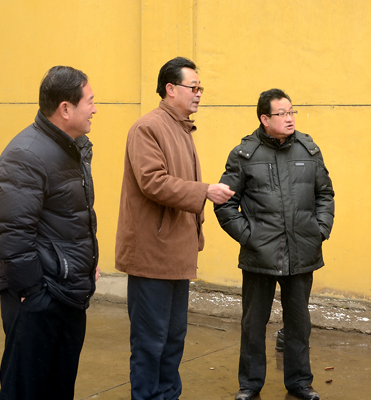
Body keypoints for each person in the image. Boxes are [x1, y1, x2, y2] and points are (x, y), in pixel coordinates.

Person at [115, 56, 234, 400]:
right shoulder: (148, 128)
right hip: (151, 255)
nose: (198, 94)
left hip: (176, 254)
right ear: (170, 89)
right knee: (150, 342)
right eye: (192, 87)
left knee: (172, 340)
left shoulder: (181, 128)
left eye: (200, 88)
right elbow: (153, 182)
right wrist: (204, 191)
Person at [215, 88, 335, 400]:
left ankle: (299, 382)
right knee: (253, 324)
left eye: (292, 112)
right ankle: (250, 384)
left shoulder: (309, 150)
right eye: (282, 114)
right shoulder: (244, 154)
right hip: (260, 256)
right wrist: (248, 236)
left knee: (299, 324)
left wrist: (320, 229)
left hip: (302, 251)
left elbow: (325, 194)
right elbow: (224, 204)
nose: (289, 118)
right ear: (264, 119)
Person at [0, 65, 99, 400]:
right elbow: (12, 233)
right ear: (65, 108)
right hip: (41, 298)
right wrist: (33, 293)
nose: (95, 109)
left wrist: (85, 264)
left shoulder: (72, 148)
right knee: (26, 390)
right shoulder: (25, 155)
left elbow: (71, 219)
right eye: (90, 101)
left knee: (58, 388)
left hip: (68, 292)